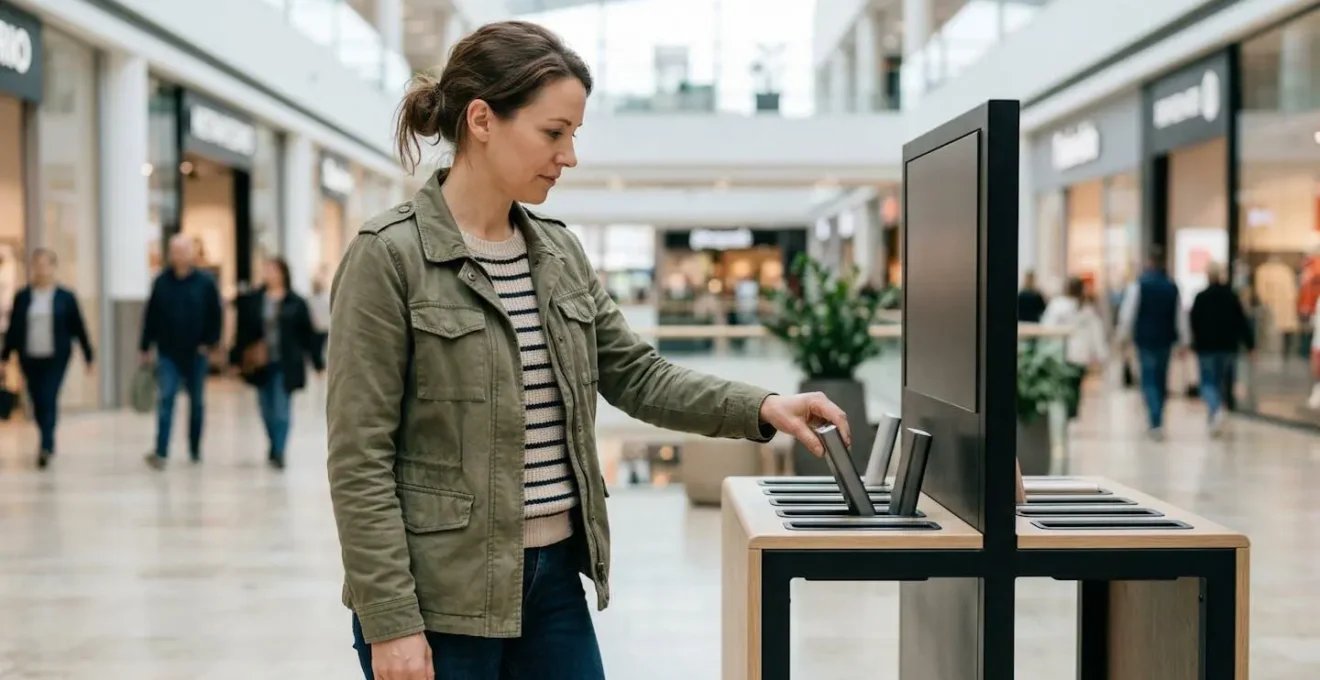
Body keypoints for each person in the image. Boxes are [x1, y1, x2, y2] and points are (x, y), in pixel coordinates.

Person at [326, 20, 851, 680]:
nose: (569, 155)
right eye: (554, 132)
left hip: (552, 586)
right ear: (483, 120)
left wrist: (764, 405)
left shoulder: (557, 251)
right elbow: (359, 459)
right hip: (439, 600)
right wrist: (391, 621)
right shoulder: (389, 256)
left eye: (573, 134)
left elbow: (636, 374)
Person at [0, 249, 94, 468]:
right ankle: (46, 437)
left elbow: (78, 327)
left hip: (56, 357)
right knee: (37, 399)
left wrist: (88, 355)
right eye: (37, 265)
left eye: (45, 264)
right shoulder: (23, 297)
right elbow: (14, 329)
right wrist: (4, 359)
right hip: (29, 357)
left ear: (53, 267)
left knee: (48, 396)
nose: (41, 269)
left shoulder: (65, 297)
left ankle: (46, 445)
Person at [232, 257, 323, 469]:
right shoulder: (255, 299)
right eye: (266, 269)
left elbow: (307, 334)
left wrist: (317, 363)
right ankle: (273, 443)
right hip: (260, 363)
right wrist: (236, 359)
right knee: (266, 408)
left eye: (273, 269)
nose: (269, 273)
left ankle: (280, 450)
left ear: (283, 273)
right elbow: (242, 332)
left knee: (282, 409)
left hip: (286, 362)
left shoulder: (295, 302)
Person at [141, 234, 223, 468]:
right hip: (168, 351)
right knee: (166, 399)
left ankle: (195, 448)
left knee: (196, 403)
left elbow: (215, 314)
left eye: (183, 250)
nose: (178, 256)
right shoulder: (162, 282)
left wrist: (211, 342)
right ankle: (161, 450)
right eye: (174, 251)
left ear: (192, 254)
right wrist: (145, 345)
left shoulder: (205, 282)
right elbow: (151, 314)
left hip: (196, 352)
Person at [1117, 246, 1189, 440]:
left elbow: (1128, 314)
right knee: (1161, 379)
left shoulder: (1139, 285)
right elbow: (1180, 316)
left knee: (1148, 380)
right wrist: (1184, 340)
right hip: (1165, 340)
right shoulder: (1172, 286)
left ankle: (1154, 420)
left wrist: (1122, 337)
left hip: (1145, 339)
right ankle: (1157, 420)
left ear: (1149, 262)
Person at [1189, 262, 1254, 436]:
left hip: (1207, 348)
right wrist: (1250, 344)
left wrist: (1192, 343)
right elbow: (1242, 322)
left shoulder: (1201, 297)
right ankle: (1216, 412)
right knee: (1220, 381)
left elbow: (1193, 323)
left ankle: (1215, 409)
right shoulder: (1231, 296)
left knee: (1208, 383)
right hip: (1227, 347)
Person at [1040, 276, 1108, 419]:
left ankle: (1066, 411)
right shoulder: (1086, 308)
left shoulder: (1057, 305)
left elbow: (1046, 328)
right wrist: (1101, 355)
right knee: (1075, 384)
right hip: (1080, 354)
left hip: (1060, 353)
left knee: (1064, 384)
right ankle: (1071, 411)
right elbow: (1096, 333)